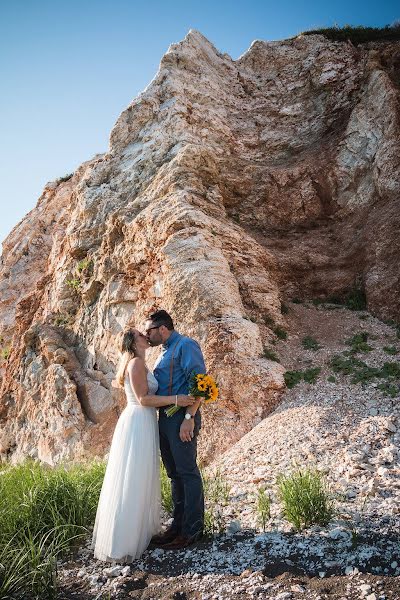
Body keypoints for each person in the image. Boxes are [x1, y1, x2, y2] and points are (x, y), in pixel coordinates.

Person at [92, 328, 195, 562]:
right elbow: (144, 399)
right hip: (138, 420)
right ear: (133, 341)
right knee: (133, 479)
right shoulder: (136, 363)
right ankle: (123, 543)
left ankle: (136, 535)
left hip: (144, 421)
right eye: (140, 334)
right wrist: (176, 399)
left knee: (138, 478)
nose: (145, 336)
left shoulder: (141, 362)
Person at [144, 309, 206, 550]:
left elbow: (200, 383)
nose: (147, 335)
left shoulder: (186, 345)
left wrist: (189, 417)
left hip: (182, 418)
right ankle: (177, 527)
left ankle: (192, 531)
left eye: (149, 330)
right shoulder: (164, 352)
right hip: (165, 418)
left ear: (162, 329)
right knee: (174, 474)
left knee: (187, 472)